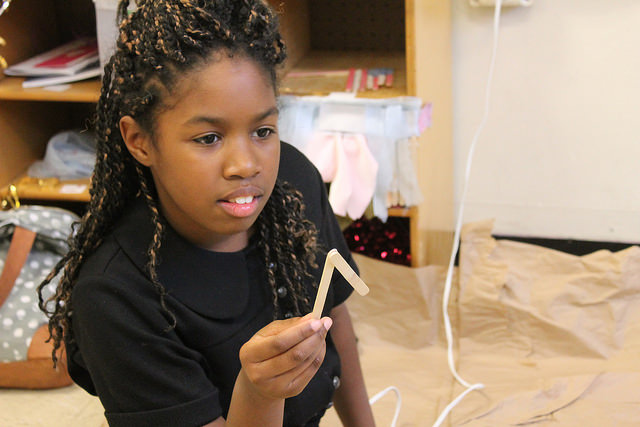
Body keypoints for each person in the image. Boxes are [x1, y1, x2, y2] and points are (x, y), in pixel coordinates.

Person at [37, 0, 376, 426]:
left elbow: (335, 316)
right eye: (209, 138)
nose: (245, 165)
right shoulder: (115, 298)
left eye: (263, 131)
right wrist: (259, 393)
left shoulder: (292, 180)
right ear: (139, 140)